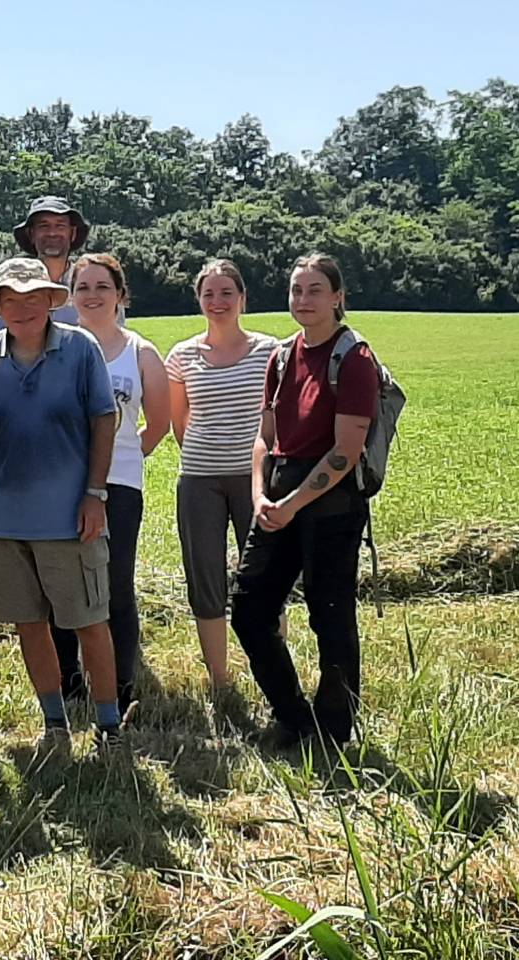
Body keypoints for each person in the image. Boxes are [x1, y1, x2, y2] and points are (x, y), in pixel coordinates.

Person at [0, 257, 124, 758]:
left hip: (69, 517)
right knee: (28, 624)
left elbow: (105, 418)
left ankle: (109, 728)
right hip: (5, 520)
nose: (21, 308)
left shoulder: (80, 348)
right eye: (9, 299)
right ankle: (54, 724)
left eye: (32, 297)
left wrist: (95, 494)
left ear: (50, 301)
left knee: (88, 620)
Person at [231, 254, 380, 749]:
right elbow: (264, 436)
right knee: (249, 608)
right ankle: (292, 716)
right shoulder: (280, 356)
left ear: (338, 296)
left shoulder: (354, 359)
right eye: (296, 290)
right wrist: (259, 495)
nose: (303, 300)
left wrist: (292, 503)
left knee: (330, 615)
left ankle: (334, 733)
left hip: (331, 506)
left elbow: (345, 451)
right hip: (277, 497)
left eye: (315, 290)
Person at [46, 253, 167, 718]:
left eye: (102, 286)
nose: (92, 296)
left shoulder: (140, 352)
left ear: (121, 295)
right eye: (83, 287)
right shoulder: (60, 347)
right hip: (60, 485)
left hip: (118, 487)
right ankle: (68, 682)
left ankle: (119, 685)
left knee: (114, 585)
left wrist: (121, 459)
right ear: (71, 298)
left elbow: (158, 423)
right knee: (60, 584)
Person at [165, 260, 280, 698]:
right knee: (206, 578)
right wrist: (206, 454)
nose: (217, 302)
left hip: (257, 481)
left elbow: (277, 417)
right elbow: (181, 422)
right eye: (209, 294)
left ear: (243, 299)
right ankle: (220, 680)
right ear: (199, 301)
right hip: (198, 479)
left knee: (265, 577)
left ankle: (272, 671)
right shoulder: (181, 355)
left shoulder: (271, 350)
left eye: (226, 293)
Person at [0, 196, 119, 329]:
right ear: (31, 234)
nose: (52, 233)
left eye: (60, 225)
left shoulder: (92, 282)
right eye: (44, 226)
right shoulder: (14, 283)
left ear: (73, 233)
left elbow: (115, 338)